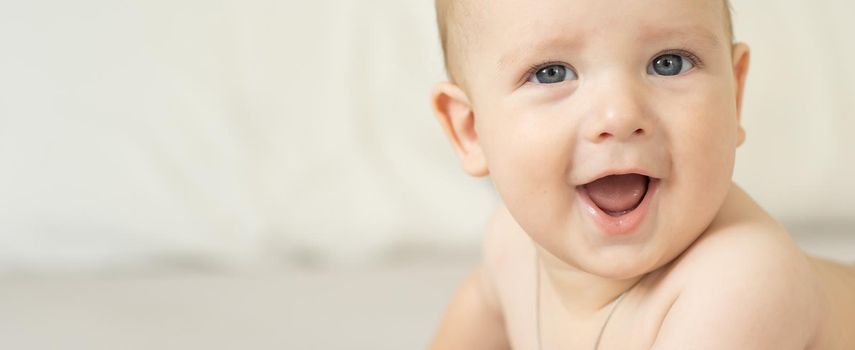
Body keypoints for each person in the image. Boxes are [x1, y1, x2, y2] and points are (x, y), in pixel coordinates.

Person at [427, 0, 855, 348]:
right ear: (471, 130)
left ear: (735, 94)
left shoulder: (741, 285)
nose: (620, 114)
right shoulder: (510, 247)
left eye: (668, 63)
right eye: (551, 73)